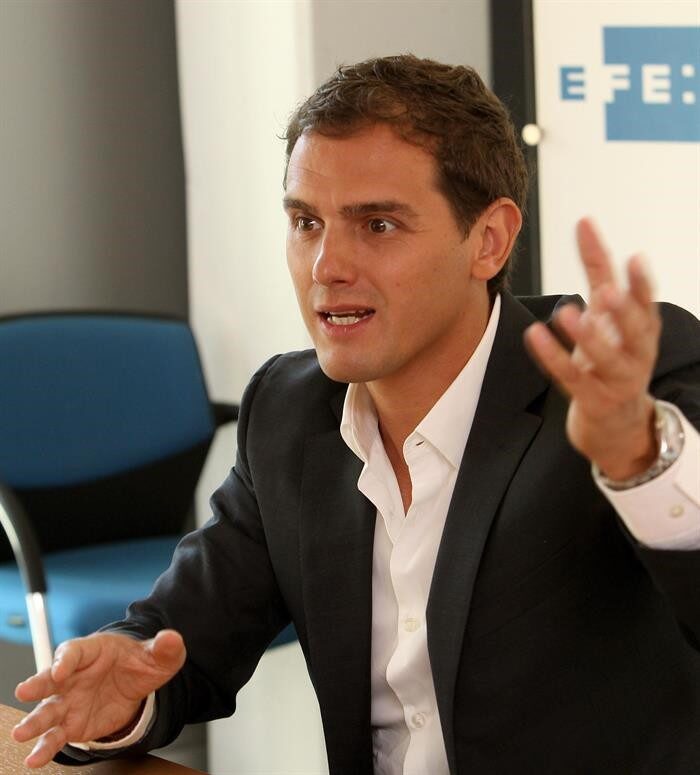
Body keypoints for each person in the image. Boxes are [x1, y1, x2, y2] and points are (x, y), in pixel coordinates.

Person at [11, 55, 700, 774]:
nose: (326, 266)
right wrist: (122, 697)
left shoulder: (618, 382)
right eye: (306, 222)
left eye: (378, 224)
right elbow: (181, 643)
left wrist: (640, 459)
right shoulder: (288, 410)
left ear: (488, 240)